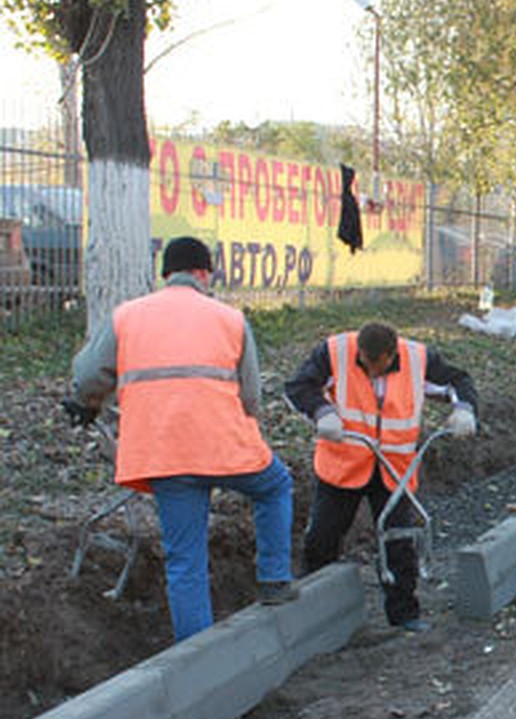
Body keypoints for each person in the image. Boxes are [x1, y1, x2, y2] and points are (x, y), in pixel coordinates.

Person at [70, 236, 295, 642]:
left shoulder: (127, 316)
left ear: (166, 274)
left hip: (162, 453)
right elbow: (251, 398)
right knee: (275, 486)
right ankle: (275, 579)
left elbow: (87, 377)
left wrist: (88, 402)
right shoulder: (229, 318)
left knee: (185, 560)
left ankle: (195, 659)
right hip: (228, 449)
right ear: (203, 273)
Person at [284, 321, 478, 632]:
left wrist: (464, 409)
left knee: (399, 539)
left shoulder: (418, 358)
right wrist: (322, 412)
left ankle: (404, 614)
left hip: (392, 467)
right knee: (322, 537)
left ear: (392, 354)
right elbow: (298, 387)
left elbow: (457, 381)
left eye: (378, 364)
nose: (371, 370)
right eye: (365, 362)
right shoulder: (335, 352)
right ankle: (312, 615)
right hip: (344, 462)